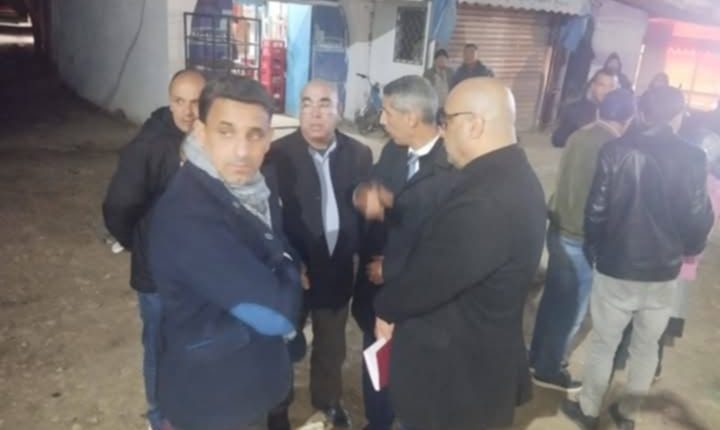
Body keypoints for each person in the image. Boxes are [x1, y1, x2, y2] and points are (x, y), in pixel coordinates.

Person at [373, 78, 546, 430]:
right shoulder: (512, 176)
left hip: (455, 386)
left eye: (446, 120)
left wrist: (385, 307)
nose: (441, 129)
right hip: (475, 365)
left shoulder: (486, 201)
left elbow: (428, 281)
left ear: (474, 124)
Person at [146, 76, 303, 430]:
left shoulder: (252, 188)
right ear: (201, 133)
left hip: (248, 381)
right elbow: (274, 315)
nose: (242, 151)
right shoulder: (191, 214)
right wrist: (289, 267)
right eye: (226, 132)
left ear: (269, 139)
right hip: (215, 401)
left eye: (254, 134)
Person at [562, 86, 714, 430]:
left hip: (617, 267)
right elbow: (698, 217)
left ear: (642, 112)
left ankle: (588, 410)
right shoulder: (693, 157)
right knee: (646, 348)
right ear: (678, 116)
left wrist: (596, 250)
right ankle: (627, 415)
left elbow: (596, 212)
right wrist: (687, 250)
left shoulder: (615, 150)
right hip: (663, 272)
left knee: (604, 344)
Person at [352, 75, 458, 430]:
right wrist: (365, 196)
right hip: (376, 293)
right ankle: (377, 421)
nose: (382, 120)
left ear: (411, 117)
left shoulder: (453, 167)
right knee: (375, 365)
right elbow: (373, 188)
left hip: (419, 301)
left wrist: (394, 267)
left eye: (387, 112)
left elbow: (446, 245)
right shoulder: (393, 152)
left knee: (413, 377)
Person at [101, 68, 205, 430]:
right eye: (180, 101)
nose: (188, 111)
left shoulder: (210, 139)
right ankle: (159, 417)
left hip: (201, 273)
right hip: (158, 275)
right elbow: (119, 207)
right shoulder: (149, 146)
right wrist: (140, 243)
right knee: (159, 346)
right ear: (169, 101)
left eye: (196, 102)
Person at [266, 80, 373, 428]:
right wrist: (286, 261)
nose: (315, 113)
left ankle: (328, 401)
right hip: (292, 270)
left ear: (339, 109)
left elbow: (365, 211)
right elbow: (265, 217)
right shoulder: (276, 155)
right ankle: (277, 408)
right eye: (307, 103)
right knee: (282, 344)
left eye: (324, 104)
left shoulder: (360, 154)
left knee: (331, 345)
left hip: (337, 266)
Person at [529, 89, 636, 393]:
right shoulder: (614, 147)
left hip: (558, 226)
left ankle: (536, 357)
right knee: (571, 310)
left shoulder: (579, 135)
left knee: (552, 300)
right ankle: (550, 369)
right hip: (581, 236)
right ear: (628, 117)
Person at [552, 69, 618, 148]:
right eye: (601, 85)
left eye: (611, 86)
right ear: (593, 86)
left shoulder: (622, 114)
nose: (606, 91)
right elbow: (557, 140)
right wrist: (581, 133)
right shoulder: (575, 109)